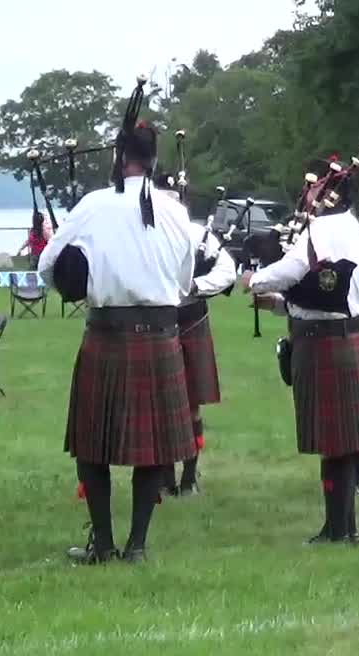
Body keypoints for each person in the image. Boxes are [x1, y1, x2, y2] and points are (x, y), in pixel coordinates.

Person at [38, 118, 197, 565]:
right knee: (153, 449)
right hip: (161, 333)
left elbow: (48, 266)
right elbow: (185, 281)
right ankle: (138, 546)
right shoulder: (175, 211)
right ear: (153, 159)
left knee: (93, 446)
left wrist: (79, 281)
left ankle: (104, 543)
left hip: (107, 332)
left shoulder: (93, 205)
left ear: (118, 157)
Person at [244, 160, 359, 545]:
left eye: (312, 188)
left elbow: (292, 270)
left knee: (334, 442)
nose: (306, 195)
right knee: (340, 443)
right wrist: (278, 305)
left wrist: (253, 280)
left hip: (325, 340)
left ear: (327, 193)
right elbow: (322, 292)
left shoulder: (322, 228)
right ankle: (342, 527)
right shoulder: (353, 229)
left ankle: (339, 530)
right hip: (346, 333)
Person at [155, 172, 237, 496]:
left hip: (189, 317)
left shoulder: (197, 233)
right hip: (156, 319)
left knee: (189, 406)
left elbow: (228, 271)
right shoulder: (148, 233)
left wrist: (197, 285)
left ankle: (188, 476)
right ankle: (162, 477)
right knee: (159, 405)